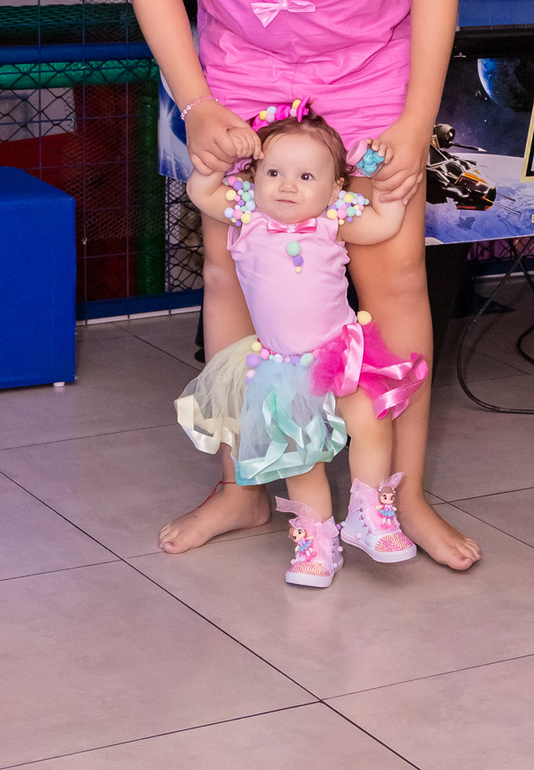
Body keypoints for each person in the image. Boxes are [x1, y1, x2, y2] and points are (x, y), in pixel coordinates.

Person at [130, 0, 480, 569]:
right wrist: (198, 101)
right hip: (239, 78)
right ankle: (244, 487)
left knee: (392, 274)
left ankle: (403, 499)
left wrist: (414, 119)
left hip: (369, 75)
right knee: (230, 272)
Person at [177, 105, 426, 588]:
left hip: (341, 351)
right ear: (253, 179)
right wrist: (218, 158)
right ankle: (317, 543)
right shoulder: (246, 217)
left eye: (306, 175)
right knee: (299, 457)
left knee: (370, 421)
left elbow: (383, 222)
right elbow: (201, 191)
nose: (287, 186)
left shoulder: (334, 219)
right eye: (273, 172)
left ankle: (370, 512)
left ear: (334, 188)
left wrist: (378, 177)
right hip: (281, 369)